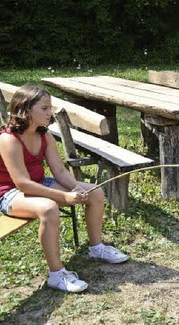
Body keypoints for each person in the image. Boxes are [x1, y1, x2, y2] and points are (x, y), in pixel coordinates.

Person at [0, 85, 129, 293]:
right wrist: (63, 196)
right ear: (25, 109)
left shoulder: (45, 135)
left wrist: (76, 187)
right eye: (44, 108)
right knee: (49, 208)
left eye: (49, 108)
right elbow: (22, 183)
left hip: (39, 184)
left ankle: (96, 248)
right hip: (9, 193)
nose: (49, 113)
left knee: (94, 192)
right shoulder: (8, 139)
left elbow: (59, 171)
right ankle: (56, 275)